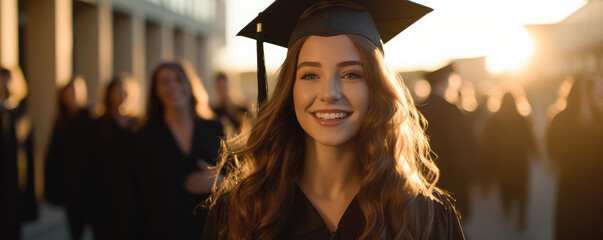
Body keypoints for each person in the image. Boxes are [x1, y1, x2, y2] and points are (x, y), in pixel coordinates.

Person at [202, 1, 464, 239]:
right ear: (289, 89)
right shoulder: (242, 212)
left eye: (351, 74)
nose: (329, 93)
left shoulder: (425, 217)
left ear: (376, 88)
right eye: (310, 75)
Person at [132, 62, 223, 239]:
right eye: (164, 82)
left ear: (189, 85)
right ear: (156, 91)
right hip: (161, 232)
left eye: (179, 80)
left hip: (212, 231)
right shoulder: (143, 138)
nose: (172, 86)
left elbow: (240, 179)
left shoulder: (214, 128)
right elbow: (134, 198)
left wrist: (221, 182)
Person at [416, 64, 477, 221]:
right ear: (444, 82)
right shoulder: (450, 110)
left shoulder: (419, 109)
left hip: (425, 180)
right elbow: (459, 149)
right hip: (451, 181)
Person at [547, 74, 603, 239]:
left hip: (598, 190)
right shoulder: (562, 118)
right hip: (573, 189)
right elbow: (554, 151)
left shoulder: (599, 116)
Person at [44, 76, 95, 240]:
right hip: (69, 184)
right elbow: (53, 155)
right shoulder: (60, 121)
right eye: (68, 93)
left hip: (88, 183)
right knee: (74, 226)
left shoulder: (90, 118)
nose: (71, 97)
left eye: (74, 93)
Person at [89, 75, 139, 239]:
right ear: (109, 94)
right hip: (104, 194)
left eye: (124, 90)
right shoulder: (99, 123)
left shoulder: (137, 122)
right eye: (117, 90)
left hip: (132, 194)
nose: (121, 94)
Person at [481, 92, 536, 231]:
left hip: (502, 164)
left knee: (505, 188)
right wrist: (536, 153)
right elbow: (530, 138)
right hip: (520, 162)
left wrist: (488, 163)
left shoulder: (494, 120)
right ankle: (521, 218)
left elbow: (487, 142)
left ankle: (507, 209)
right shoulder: (521, 118)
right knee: (522, 191)